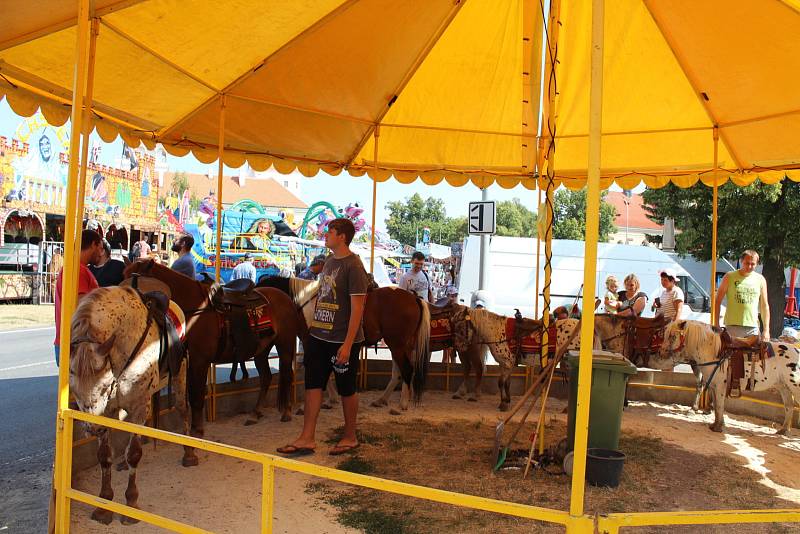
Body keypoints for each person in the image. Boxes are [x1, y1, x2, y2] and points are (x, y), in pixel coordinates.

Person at [277, 218, 368, 457]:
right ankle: (307, 437)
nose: (326, 235)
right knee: (313, 383)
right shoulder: (328, 262)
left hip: (341, 339)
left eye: (331, 231)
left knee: (347, 387)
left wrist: (348, 344)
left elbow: (358, 308)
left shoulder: (354, 266)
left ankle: (350, 436)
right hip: (319, 335)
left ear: (342, 236)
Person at [54, 230, 102, 365]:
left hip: (73, 343)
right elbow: (82, 305)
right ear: (93, 244)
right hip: (76, 345)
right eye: (100, 248)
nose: (101, 253)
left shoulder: (78, 268)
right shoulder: (78, 270)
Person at [714, 249, 770, 341]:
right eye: (747, 263)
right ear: (741, 261)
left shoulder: (760, 279)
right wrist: (716, 324)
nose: (749, 266)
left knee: (754, 355)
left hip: (752, 327)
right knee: (731, 354)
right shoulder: (729, 277)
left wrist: (766, 330)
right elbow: (717, 301)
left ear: (757, 264)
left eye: (753, 264)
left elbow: (764, 306)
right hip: (733, 326)